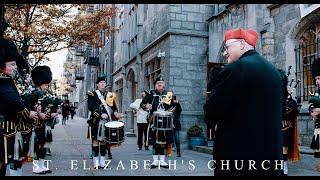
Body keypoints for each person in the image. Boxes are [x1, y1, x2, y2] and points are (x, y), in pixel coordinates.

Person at [205, 28, 283, 176]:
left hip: (239, 158)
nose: (224, 52)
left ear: (241, 44)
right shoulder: (274, 72)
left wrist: (213, 87)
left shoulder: (236, 68)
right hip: (270, 158)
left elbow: (211, 113)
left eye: (227, 47)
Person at [0, 38, 38, 176]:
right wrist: (28, 113)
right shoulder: (3, 81)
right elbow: (15, 101)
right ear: (2, 65)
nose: (15, 67)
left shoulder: (7, 80)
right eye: (12, 64)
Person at [140, 74, 174, 169]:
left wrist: (169, 112)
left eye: (161, 83)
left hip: (165, 122)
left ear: (164, 84)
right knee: (155, 141)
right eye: (158, 83)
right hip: (153, 121)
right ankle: (155, 161)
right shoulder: (151, 94)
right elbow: (142, 104)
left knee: (163, 141)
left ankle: (162, 161)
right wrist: (146, 106)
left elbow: (173, 106)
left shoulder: (168, 95)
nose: (160, 84)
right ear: (155, 85)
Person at [87, 77, 120, 169]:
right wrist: (100, 114)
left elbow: (114, 107)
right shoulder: (92, 94)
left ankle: (102, 161)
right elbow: (91, 107)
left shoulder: (110, 95)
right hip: (95, 121)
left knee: (104, 142)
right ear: (97, 84)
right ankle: (95, 162)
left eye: (104, 82)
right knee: (95, 141)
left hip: (106, 122)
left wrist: (116, 112)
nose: (102, 84)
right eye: (100, 82)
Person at [278, 69, 300, 176]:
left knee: (284, 146)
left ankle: (284, 165)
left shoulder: (290, 101)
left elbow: (289, 111)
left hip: (286, 127)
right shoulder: (273, 98)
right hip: (275, 127)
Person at [309, 58, 320, 171]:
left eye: (319, 78)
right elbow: (311, 104)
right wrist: (312, 112)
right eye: (316, 78)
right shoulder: (317, 91)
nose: (317, 81)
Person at [168, 91, 182, 157]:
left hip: (175, 121)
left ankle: (177, 151)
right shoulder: (168, 102)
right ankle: (170, 151)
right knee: (170, 136)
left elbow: (180, 110)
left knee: (176, 137)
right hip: (170, 121)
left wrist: (177, 103)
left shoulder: (176, 103)